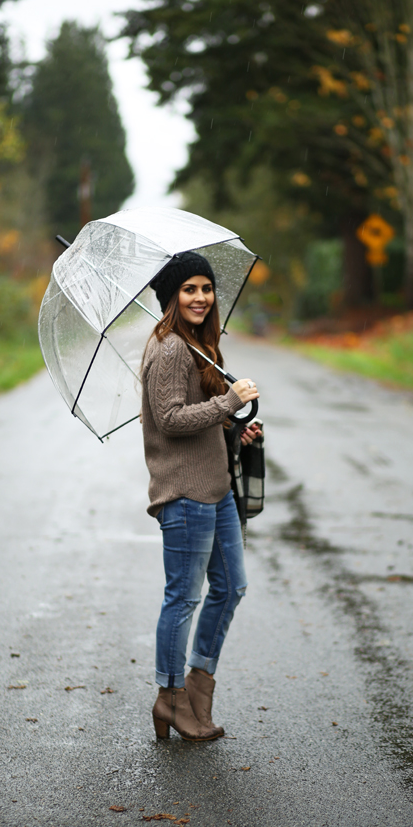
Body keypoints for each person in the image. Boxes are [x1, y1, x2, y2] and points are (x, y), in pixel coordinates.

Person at [141, 251, 261, 742]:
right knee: (184, 598)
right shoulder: (169, 348)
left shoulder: (198, 345)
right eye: (189, 289)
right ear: (173, 296)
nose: (200, 297)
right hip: (185, 494)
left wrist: (236, 431)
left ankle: (198, 684)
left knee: (231, 586)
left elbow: (203, 417)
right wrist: (228, 402)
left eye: (205, 288)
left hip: (215, 490)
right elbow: (169, 419)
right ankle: (169, 698)